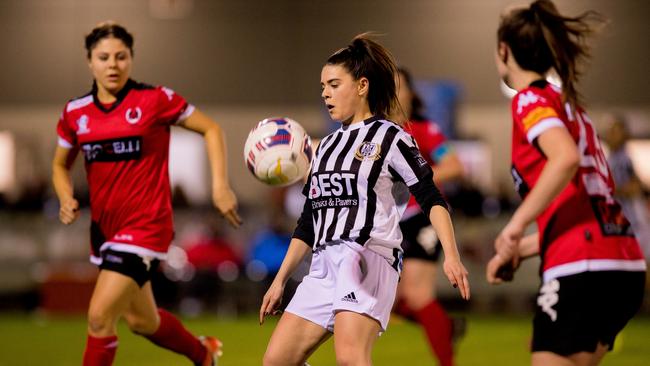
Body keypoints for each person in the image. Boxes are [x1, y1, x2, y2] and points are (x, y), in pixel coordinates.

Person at [260, 33, 470, 366]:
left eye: (333, 84)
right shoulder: (324, 147)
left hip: (368, 258)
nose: (326, 94)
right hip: (322, 266)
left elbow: (431, 197)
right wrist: (280, 279)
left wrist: (452, 256)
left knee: (351, 358)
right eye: (322, 87)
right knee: (276, 361)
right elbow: (308, 221)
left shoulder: (392, 136)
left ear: (361, 86)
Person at [51, 22, 241, 366]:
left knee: (98, 317)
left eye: (121, 56)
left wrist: (220, 185)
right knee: (143, 321)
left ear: (131, 60)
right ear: (89, 62)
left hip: (146, 225)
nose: (113, 64)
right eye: (104, 57)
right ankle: (204, 354)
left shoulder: (154, 100)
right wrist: (65, 197)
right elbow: (60, 165)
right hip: (105, 231)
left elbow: (211, 129)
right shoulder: (75, 113)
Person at [486, 1, 646, 365]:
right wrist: (520, 249)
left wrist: (513, 227)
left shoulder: (530, 100)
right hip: (623, 264)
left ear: (503, 51)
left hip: (582, 266)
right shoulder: (573, 107)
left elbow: (565, 158)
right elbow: (579, 203)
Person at [392, 67, 465, 366]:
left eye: (399, 86)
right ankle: (445, 326)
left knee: (418, 294)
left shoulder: (424, 129)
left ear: (411, 92)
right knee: (387, 299)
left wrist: (418, 178)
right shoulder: (376, 131)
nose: (394, 93)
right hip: (390, 222)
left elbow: (454, 165)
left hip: (423, 216)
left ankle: (447, 360)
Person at [603, 114, 650, 258]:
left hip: (634, 221)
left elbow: (635, 187)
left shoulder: (625, 158)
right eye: (610, 131)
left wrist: (612, 190)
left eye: (616, 131)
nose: (611, 135)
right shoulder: (611, 158)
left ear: (625, 134)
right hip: (619, 221)